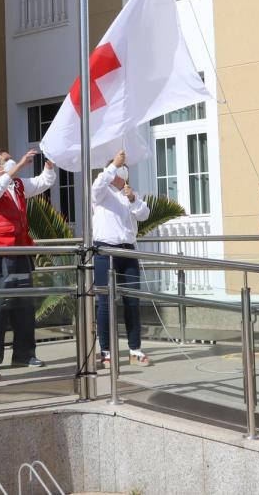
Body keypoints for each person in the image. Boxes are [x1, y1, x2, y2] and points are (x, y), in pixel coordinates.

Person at [0, 148, 56, 372]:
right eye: (7, 160)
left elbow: (42, 183)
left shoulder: (17, 185)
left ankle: (24, 354)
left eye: (12, 159)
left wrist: (49, 166)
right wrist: (18, 166)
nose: (12, 162)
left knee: (24, 307)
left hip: (19, 253)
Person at [92, 150, 152, 368]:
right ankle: (106, 351)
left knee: (132, 301)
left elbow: (144, 214)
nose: (121, 177)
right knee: (105, 302)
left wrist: (133, 198)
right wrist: (112, 166)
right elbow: (97, 186)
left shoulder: (129, 192)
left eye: (123, 173)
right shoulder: (101, 192)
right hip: (105, 250)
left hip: (127, 250)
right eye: (118, 172)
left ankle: (135, 349)